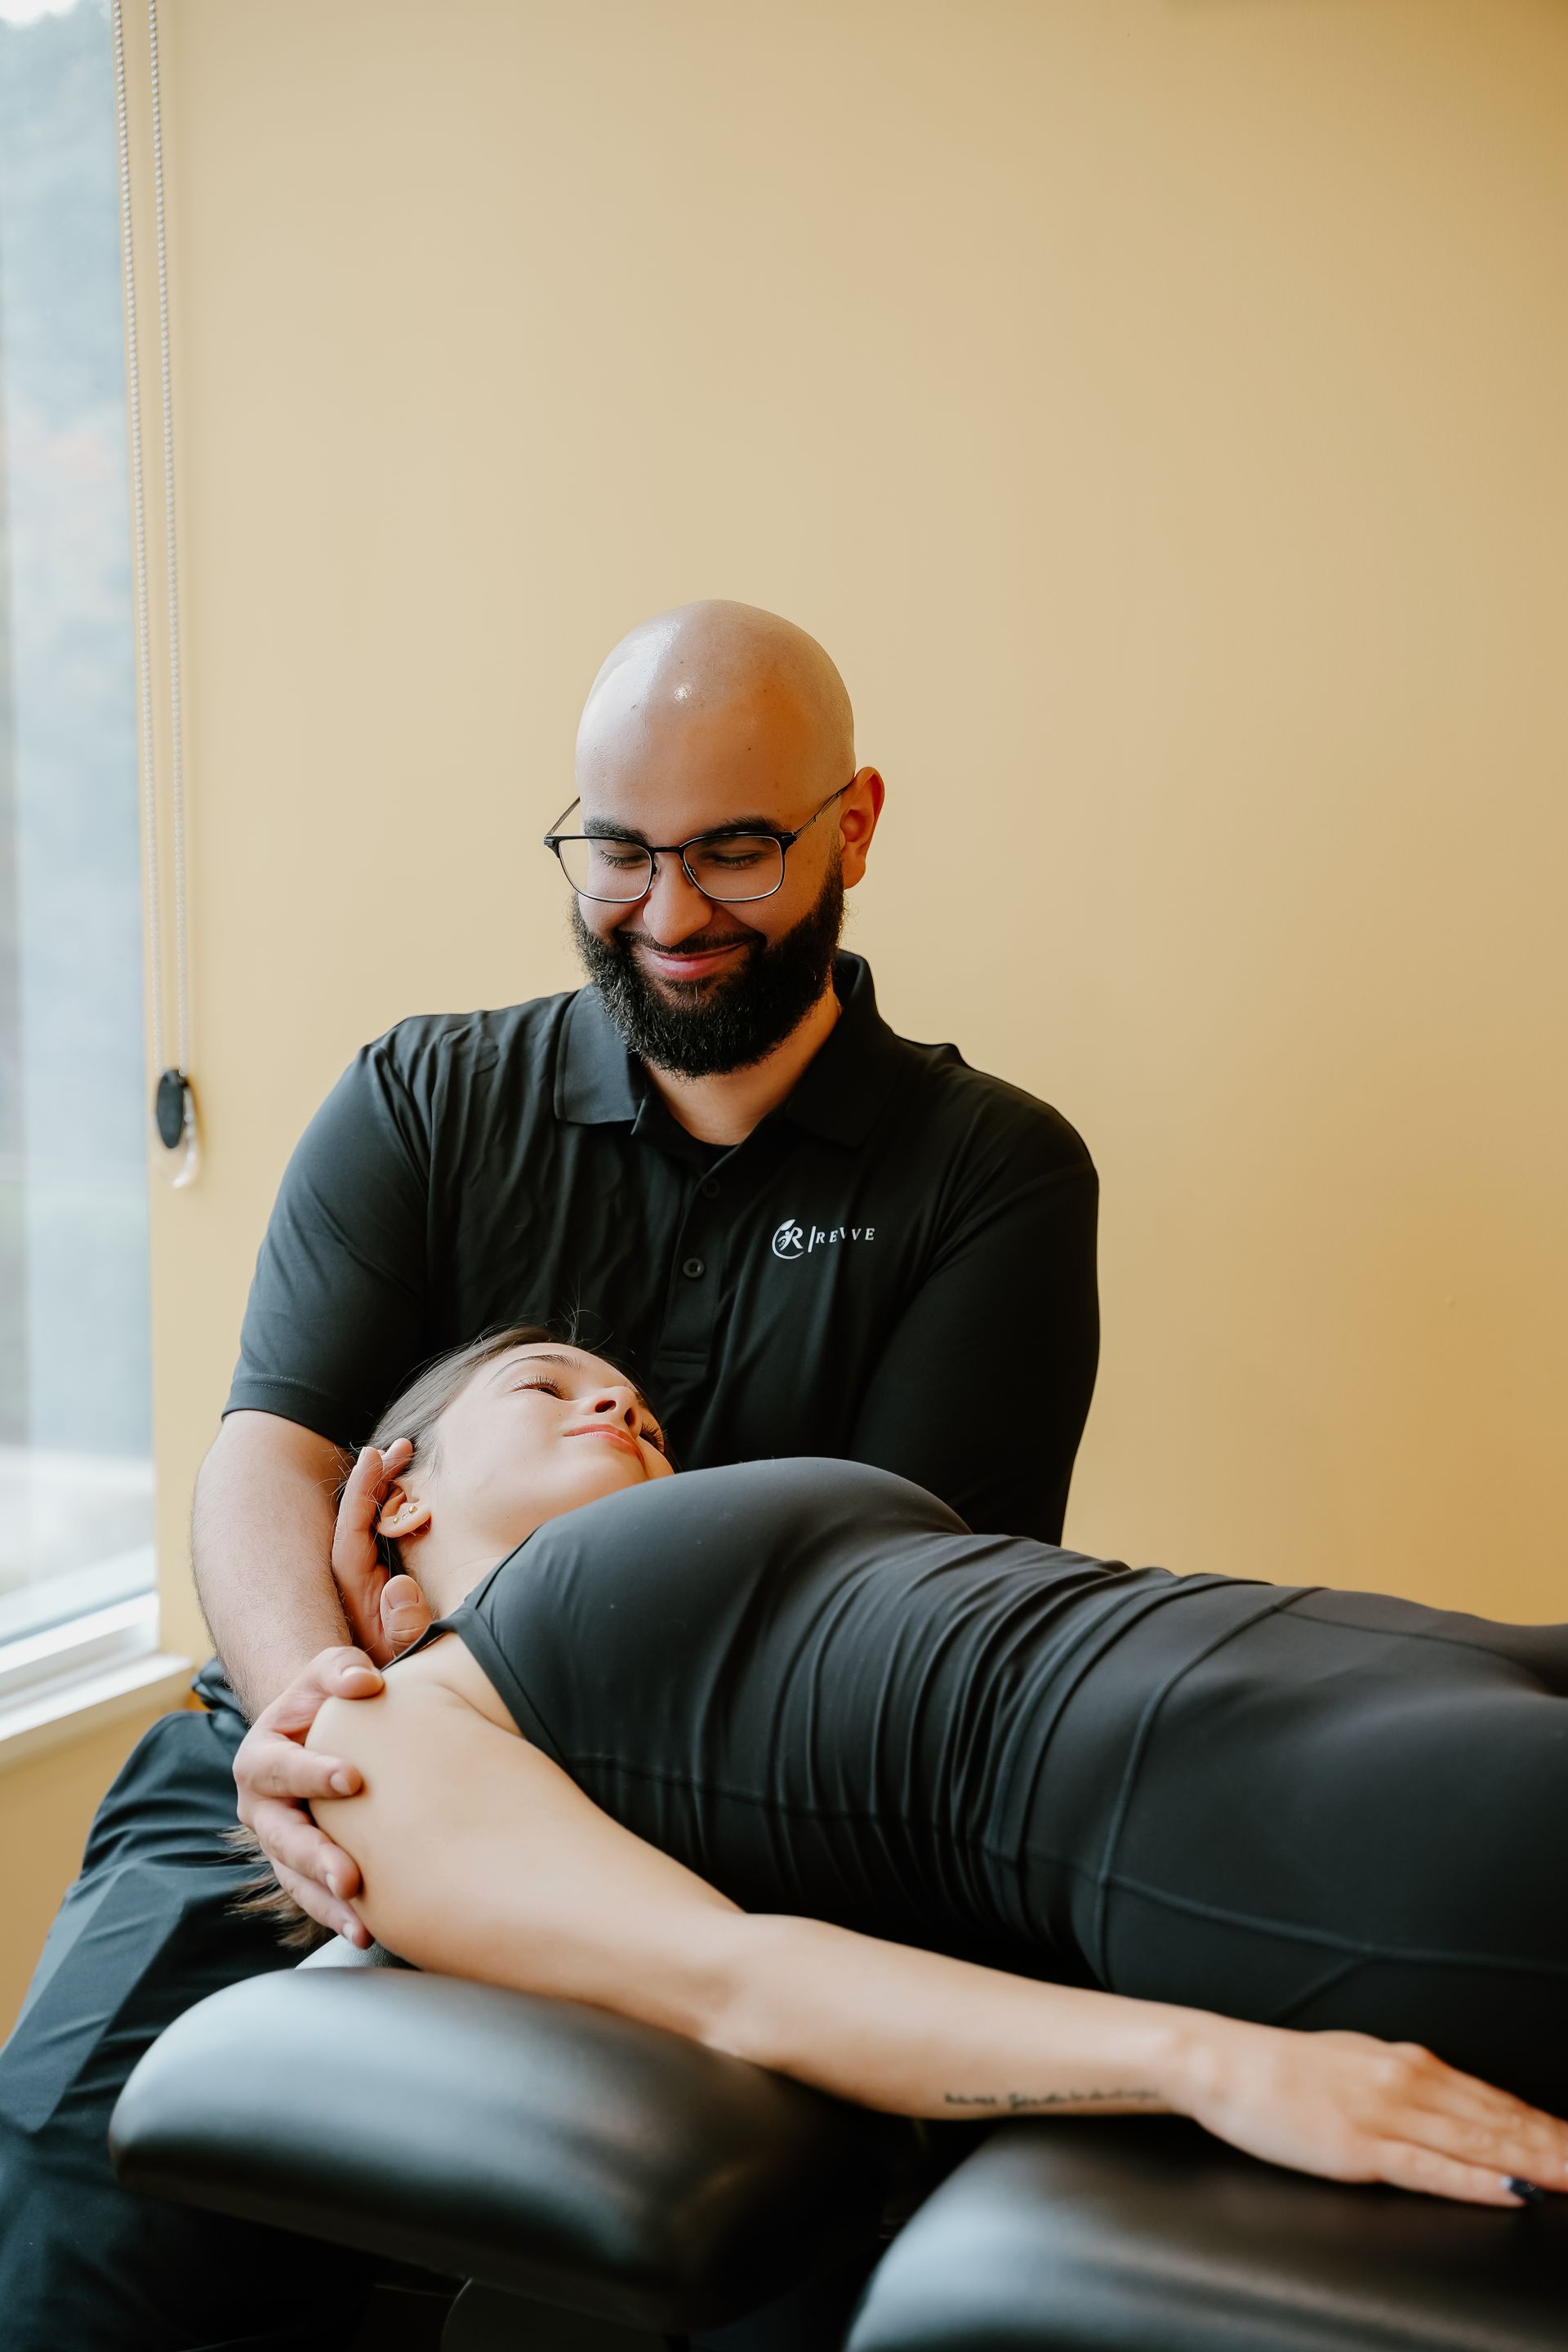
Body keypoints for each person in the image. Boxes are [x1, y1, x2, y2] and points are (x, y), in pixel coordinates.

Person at [0, 602, 1099, 2351]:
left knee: (793, 2273)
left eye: (735, 853)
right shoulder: (425, 1099)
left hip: (722, 1856)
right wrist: (324, 1740)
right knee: (74, 2215)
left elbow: (895, 1639)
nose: (667, 915)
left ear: (855, 826)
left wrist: (517, 1831)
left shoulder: (990, 1179)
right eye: (617, 852)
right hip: (300, 1780)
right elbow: (263, 1461)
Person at [275, 1325, 1568, 2212]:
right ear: (397, 1498)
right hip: (1282, 1813)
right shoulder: (382, 1727)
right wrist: (1216, 2066)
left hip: (1397, 1657)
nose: (618, 1404)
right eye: (546, 1389)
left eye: (645, 1413)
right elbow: (736, 1979)